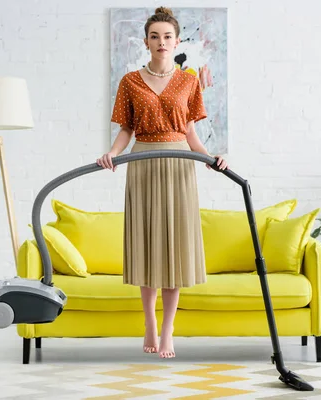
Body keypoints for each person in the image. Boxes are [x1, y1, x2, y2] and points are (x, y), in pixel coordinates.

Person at [97, 6, 228, 359]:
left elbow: (189, 131)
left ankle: (168, 329)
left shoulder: (188, 81)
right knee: (147, 244)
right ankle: (149, 323)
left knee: (174, 248)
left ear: (176, 40)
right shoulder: (129, 81)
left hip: (179, 164)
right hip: (142, 162)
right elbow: (125, 128)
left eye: (167, 36)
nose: (161, 41)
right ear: (146, 41)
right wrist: (111, 153)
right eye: (154, 36)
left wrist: (211, 158)